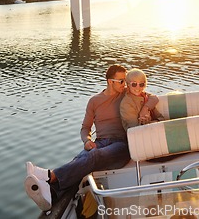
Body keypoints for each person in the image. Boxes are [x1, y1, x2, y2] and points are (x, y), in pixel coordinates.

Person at [25, 64, 159, 212]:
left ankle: (51, 176)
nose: (125, 84)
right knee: (81, 158)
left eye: (126, 81)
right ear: (110, 81)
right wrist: (87, 140)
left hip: (121, 144)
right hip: (100, 142)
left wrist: (145, 109)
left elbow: (152, 97)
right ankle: (52, 194)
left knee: (93, 155)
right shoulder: (94, 101)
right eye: (121, 81)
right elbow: (85, 128)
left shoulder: (128, 93)